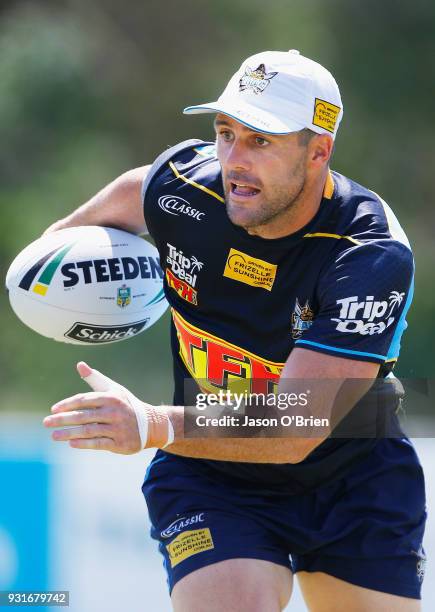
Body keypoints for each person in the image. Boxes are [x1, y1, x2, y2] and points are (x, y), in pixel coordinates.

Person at [43, 50, 426, 611]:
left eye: (261, 141)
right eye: (225, 132)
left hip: (354, 477)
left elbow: (296, 427)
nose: (232, 160)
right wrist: (59, 291)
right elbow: (54, 253)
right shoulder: (177, 188)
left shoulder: (368, 254)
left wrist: (150, 423)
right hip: (212, 473)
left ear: (318, 151)